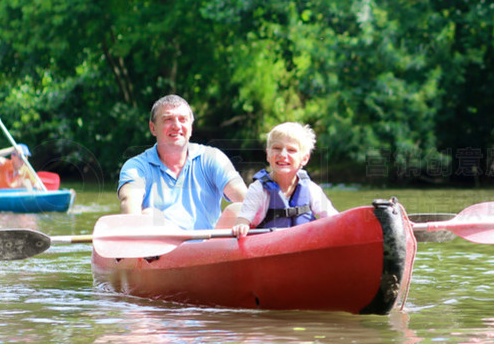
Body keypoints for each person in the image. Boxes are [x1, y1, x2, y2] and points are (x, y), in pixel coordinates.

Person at [118, 95, 247, 230]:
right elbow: (129, 202)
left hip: (210, 247)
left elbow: (244, 197)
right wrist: (133, 229)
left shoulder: (213, 157)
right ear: (153, 128)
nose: (176, 126)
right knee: (149, 215)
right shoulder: (135, 167)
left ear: (190, 127)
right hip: (161, 245)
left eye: (183, 120)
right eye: (168, 119)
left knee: (238, 210)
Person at [231, 122, 338, 237]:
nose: (283, 154)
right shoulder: (258, 189)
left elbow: (334, 218)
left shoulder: (312, 189)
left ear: (304, 158)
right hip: (268, 245)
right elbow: (242, 221)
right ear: (268, 154)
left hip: (304, 242)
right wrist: (241, 227)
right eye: (277, 148)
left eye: (291, 150)